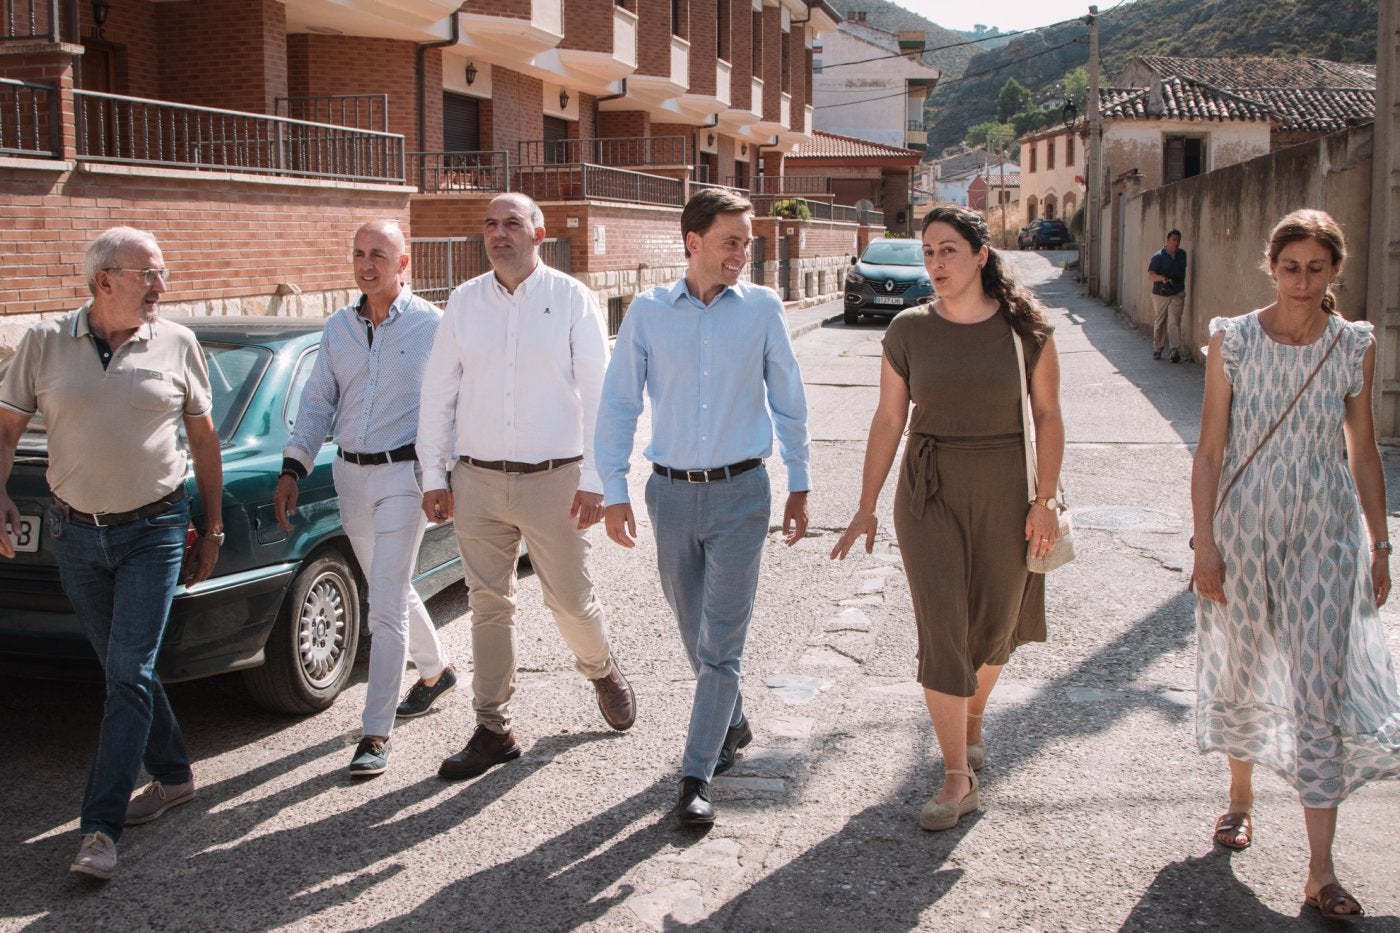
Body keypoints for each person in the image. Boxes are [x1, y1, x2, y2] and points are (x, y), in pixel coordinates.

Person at [1190, 209, 1400, 921]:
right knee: (1244, 666)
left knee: (1319, 688)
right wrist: (1205, 542)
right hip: (1244, 530)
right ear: (1271, 268)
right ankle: (1239, 797)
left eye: (1316, 268)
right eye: (1290, 268)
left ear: (1335, 269)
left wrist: (1379, 542)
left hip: (1325, 532)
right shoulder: (1234, 339)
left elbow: (1363, 450)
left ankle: (1320, 870)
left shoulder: (1352, 344)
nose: (1302, 282)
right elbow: (1210, 450)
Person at [0, 227, 223, 880]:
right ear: (104, 281)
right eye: (148, 274)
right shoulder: (42, 342)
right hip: (75, 534)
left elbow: (204, 442)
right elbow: (7, 428)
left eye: (162, 272)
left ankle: (99, 828)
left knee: (126, 672)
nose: (161, 286)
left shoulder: (177, 342)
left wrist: (210, 529)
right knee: (128, 670)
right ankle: (175, 775)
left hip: (154, 529)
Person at [831, 205, 1063, 832]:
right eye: (928, 252)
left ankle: (974, 715)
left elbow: (1048, 416)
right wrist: (865, 506)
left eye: (948, 250)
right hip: (928, 493)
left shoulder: (1027, 329)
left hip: (1007, 490)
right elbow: (888, 419)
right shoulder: (908, 330)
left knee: (995, 624)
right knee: (943, 631)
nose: (935, 263)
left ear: (981, 255)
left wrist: (1045, 501)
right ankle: (957, 778)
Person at [595, 188, 810, 826]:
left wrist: (799, 480)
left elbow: (789, 398)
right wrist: (614, 489)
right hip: (669, 495)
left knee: (721, 645)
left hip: (743, 493)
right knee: (694, 632)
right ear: (694, 242)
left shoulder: (763, 309)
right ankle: (732, 720)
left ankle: (696, 773)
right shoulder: (648, 312)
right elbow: (619, 403)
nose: (742, 253)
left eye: (747, 242)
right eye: (730, 242)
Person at [418, 192, 635, 782]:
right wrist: (434, 473)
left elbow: (601, 394)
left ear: (538, 234)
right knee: (488, 604)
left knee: (569, 599)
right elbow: (438, 391)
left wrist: (596, 479)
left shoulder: (571, 298)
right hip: (478, 479)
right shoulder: (464, 302)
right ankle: (493, 726)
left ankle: (601, 669)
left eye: (512, 223)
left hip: (555, 480)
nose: (499, 233)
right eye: (490, 224)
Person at [274, 219, 455, 778]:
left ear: (403, 264)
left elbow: (451, 405)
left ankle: (375, 731)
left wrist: (442, 476)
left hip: (404, 476)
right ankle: (436, 671)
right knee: (388, 586)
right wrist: (294, 465)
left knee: (385, 603)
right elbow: (316, 402)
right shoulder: (337, 328)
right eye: (358, 254)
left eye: (379, 254)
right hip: (349, 474)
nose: (366, 264)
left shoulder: (432, 327)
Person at [1149, 229, 1188, 362]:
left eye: (1178, 240)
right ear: (1167, 240)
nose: (1176, 243)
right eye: (1173, 240)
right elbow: (1151, 275)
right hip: (1161, 294)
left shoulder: (1182, 255)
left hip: (1177, 293)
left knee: (1174, 321)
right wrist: (1162, 278)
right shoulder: (1158, 257)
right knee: (1160, 321)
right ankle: (1158, 348)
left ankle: (1174, 350)